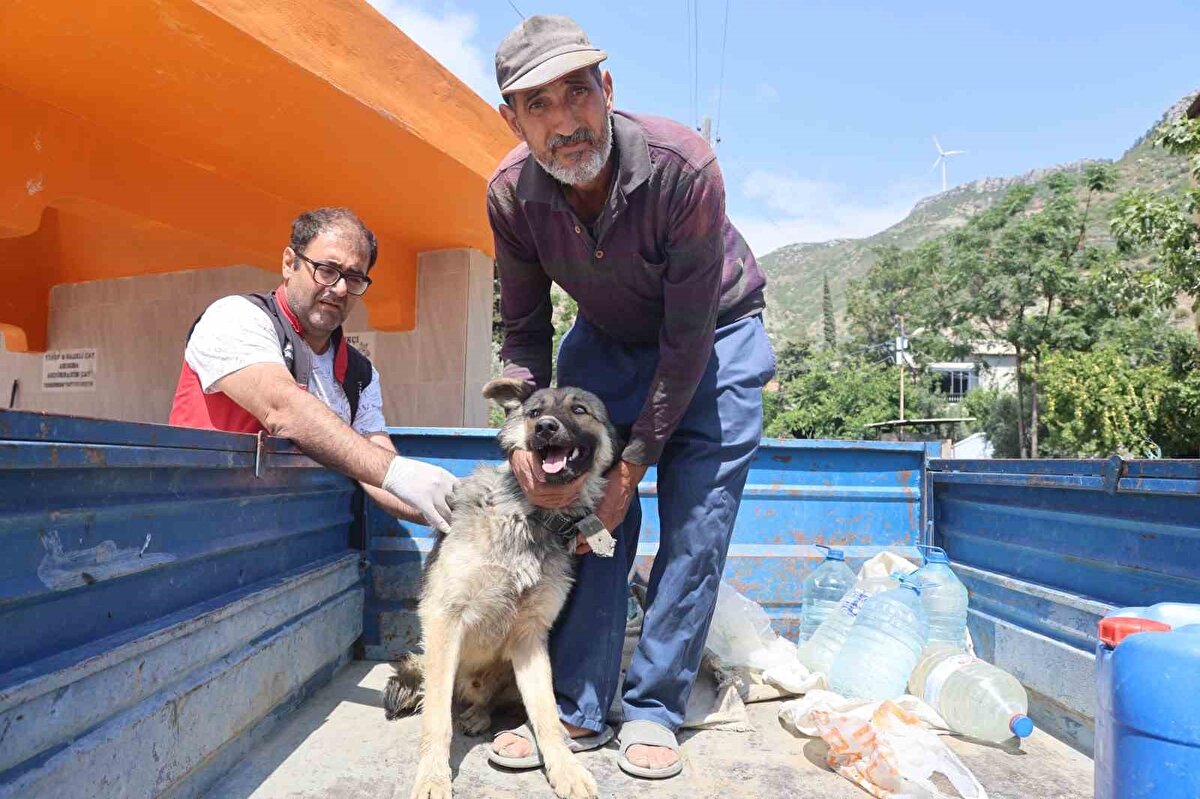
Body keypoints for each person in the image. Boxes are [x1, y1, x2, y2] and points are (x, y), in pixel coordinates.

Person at [486, 15, 775, 780]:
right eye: (537, 105)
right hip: (606, 337)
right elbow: (522, 330)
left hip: (715, 336)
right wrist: (526, 434)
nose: (564, 121)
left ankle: (653, 706)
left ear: (606, 91)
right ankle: (576, 705)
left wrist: (629, 468)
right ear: (511, 119)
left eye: (576, 93)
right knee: (580, 511)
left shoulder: (685, 168)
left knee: (696, 521)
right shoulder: (512, 195)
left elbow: (685, 345)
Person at [168, 207, 457, 532]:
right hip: (200, 535)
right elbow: (283, 408)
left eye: (354, 277)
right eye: (327, 270)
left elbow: (377, 474)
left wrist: (463, 511)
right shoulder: (234, 318)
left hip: (294, 549)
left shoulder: (360, 376)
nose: (340, 289)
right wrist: (395, 472)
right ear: (290, 263)